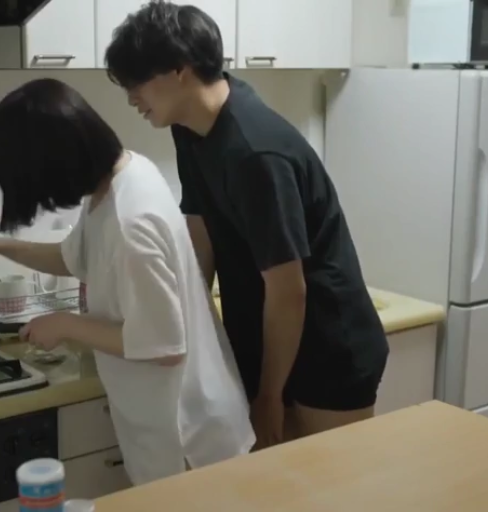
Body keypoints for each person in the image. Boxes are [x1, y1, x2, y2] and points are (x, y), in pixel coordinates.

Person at [103, 1, 390, 449]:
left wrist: (269, 395)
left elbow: (289, 290)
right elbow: (200, 232)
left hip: (328, 345)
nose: (131, 98)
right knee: (278, 483)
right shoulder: (190, 126)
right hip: (267, 336)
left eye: (137, 82)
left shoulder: (255, 155)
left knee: (333, 482)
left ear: (179, 71)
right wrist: (188, 325)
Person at [0, 78, 254, 485]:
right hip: (172, 423)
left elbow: (165, 344)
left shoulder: (131, 223)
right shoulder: (122, 175)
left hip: (188, 439)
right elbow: (74, 257)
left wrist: (65, 325)